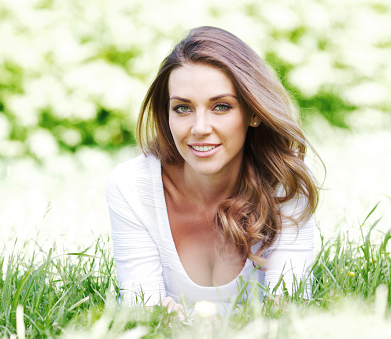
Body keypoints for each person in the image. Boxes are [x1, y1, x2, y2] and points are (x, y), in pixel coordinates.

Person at [106, 26, 320, 315]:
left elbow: (287, 309)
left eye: (221, 106)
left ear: (254, 112)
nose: (200, 128)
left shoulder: (284, 180)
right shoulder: (132, 186)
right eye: (183, 108)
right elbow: (142, 312)